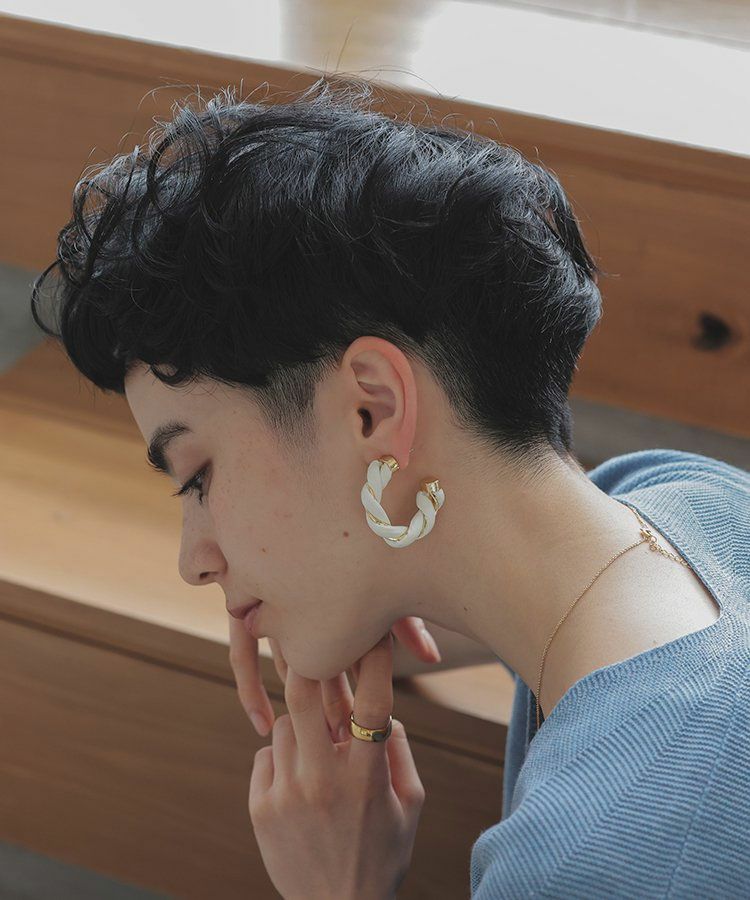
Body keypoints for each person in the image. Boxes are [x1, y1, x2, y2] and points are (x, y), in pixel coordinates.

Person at [30, 75, 750, 898]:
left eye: (198, 477)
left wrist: (345, 886)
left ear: (372, 408)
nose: (195, 561)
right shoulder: (691, 502)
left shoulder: (595, 864)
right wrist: (367, 591)